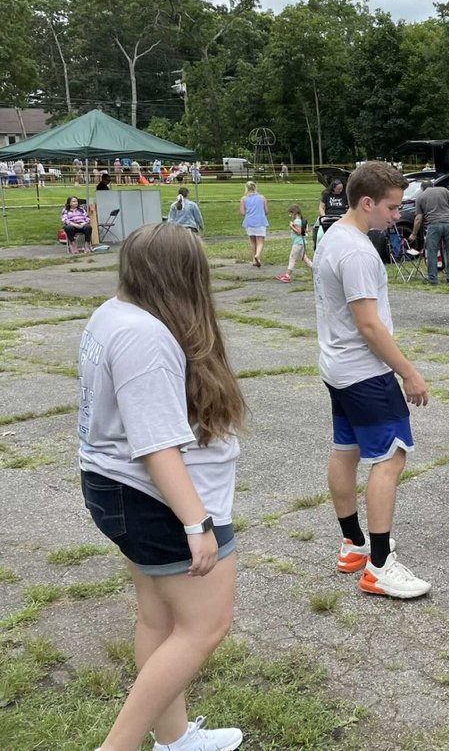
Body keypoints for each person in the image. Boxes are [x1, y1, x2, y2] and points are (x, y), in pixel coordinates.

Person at [79, 223, 246, 751]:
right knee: (204, 626)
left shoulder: (114, 313)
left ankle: (173, 740)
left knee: (157, 617)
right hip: (155, 498)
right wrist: (197, 524)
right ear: (182, 275)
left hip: (115, 487)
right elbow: (155, 445)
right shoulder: (145, 337)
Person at [313, 161, 431, 599]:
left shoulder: (333, 236)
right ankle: (379, 566)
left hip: (337, 367)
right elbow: (368, 324)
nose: (397, 215)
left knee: (346, 449)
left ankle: (354, 545)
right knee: (392, 457)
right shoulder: (358, 252)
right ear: (367, 202)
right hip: (364, 372)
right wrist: (409, 373)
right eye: (392, 207)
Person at [412, 181, 449, 285]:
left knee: (432, 252)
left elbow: (418, 218)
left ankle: (433, 279)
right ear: (433, 186)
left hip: (434, 225)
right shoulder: (444, 190)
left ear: (422, 188)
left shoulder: (421, 197)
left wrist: (414, 233)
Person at [276, 204, 312, 283]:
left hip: (298, 242)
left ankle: (288, 275)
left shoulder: (296, 221)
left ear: (294, 212)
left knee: (292, 257)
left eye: (290, 213)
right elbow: (306, 230)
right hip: (301, 242)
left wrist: (292, 226)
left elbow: (299, 232)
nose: (290, 215)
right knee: (304, 258)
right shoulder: (302, 220)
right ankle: (315, 270)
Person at [239, 181, 268, 268]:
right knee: (260, 240)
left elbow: (242, 212)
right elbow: (266, 211)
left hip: (249, 222)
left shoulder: (243, 199)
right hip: (260, 221)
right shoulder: (262, 198)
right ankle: (257, 255)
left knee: (252, 241)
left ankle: (253, 260)